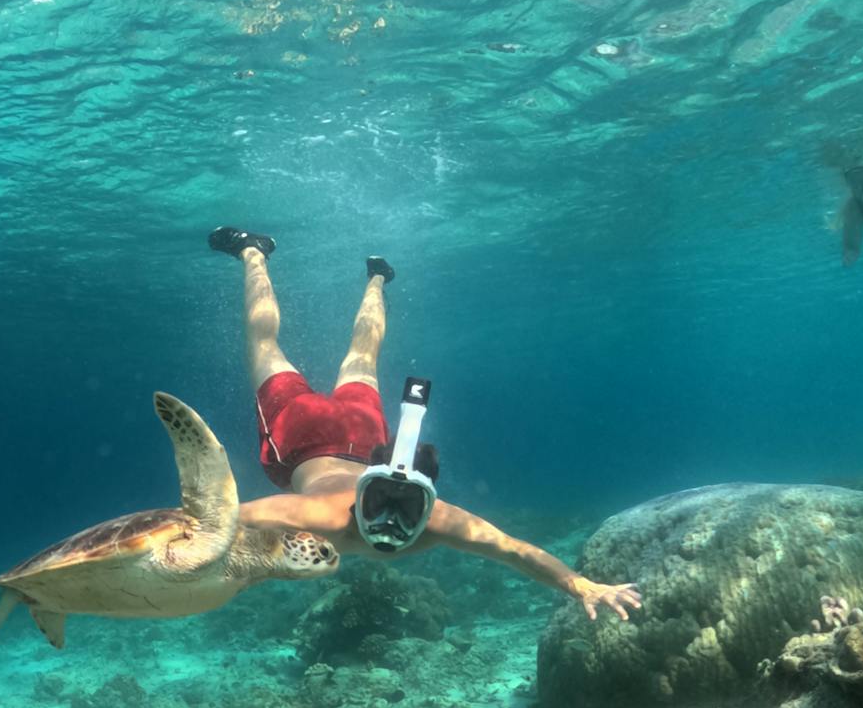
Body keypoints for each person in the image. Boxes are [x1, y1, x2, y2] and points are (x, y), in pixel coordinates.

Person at [208, 226, 641, 622]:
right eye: (381, 506)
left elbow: (215, 522)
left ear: (427, 505)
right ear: (360, 494)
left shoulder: (370, 519)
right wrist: (576, 583)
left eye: (405, 510)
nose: (389, 525)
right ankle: (275, 257)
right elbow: (512, 551)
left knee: (352, 353)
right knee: (289, 348)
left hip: (363, 435)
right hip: (303, 437)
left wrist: (580, 585)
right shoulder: (339, 517)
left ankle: (347, 270)